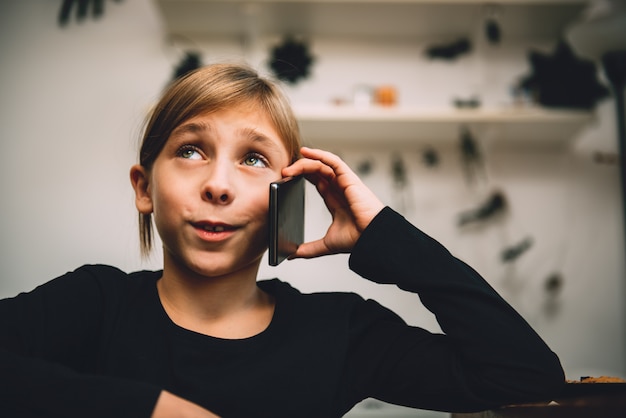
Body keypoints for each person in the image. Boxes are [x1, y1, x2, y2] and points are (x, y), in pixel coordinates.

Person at [0, 63, 565, 418]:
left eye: (252, 158)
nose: (217, 184)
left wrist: (385, 236)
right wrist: (150, 408)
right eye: (191, 150)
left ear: (287, 197)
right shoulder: (94, 303)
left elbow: (522, 374)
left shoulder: (341, 331)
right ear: (145, 188)